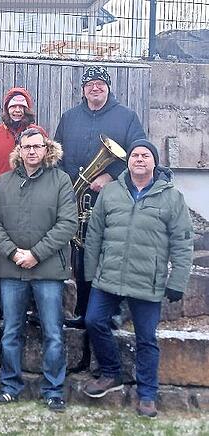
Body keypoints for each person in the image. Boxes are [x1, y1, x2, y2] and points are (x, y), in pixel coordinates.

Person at [82, 139, 194, 418]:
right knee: (93, 321)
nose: (140, 159)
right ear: (128, 161)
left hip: (147, 279)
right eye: (135, 155)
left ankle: (147, 395)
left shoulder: (171, 197)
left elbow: (182, 241)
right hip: (109, 275)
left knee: (146, 339)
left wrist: (177, 281)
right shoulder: (111, 193)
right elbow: (94, 234)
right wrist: (89, 272)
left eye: (146, 155)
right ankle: (111, 373)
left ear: (155, 162)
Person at [0, 127, 77, 412]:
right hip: (12, 271)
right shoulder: (3, 182)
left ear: (47, 149)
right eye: (27, 147)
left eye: (38, 146)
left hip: (48, 271)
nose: (32, 151)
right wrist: (12, 252)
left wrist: (36, 254)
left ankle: (53, 390)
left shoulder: (61, 180)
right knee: (11, 331)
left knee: (53, 332)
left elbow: (67, 223)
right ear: (19, 150)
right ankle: (10, 386)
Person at [54, 66, 146, 328]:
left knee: (110, 253)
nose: (95, 88)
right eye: (90, 84)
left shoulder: (127, 117)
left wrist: (112, 176)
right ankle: (84, 311)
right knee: (81, 255)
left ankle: (114, 310)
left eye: (100, 83)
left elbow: (139, 152)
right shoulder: (70, 117)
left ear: (108, 87)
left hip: (111, 196)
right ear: (83, 89)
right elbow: (57, 152)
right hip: (75, 197)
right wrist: (64, 182)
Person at [0, 87, 44, 324]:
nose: (17, 110)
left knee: (35, 251)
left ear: (27, 109)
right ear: (6, 109)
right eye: (13, 106)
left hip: (34, 201)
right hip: (4, 200)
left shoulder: (38, 134)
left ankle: (36, 306)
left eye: (21, 106)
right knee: (3, 253)